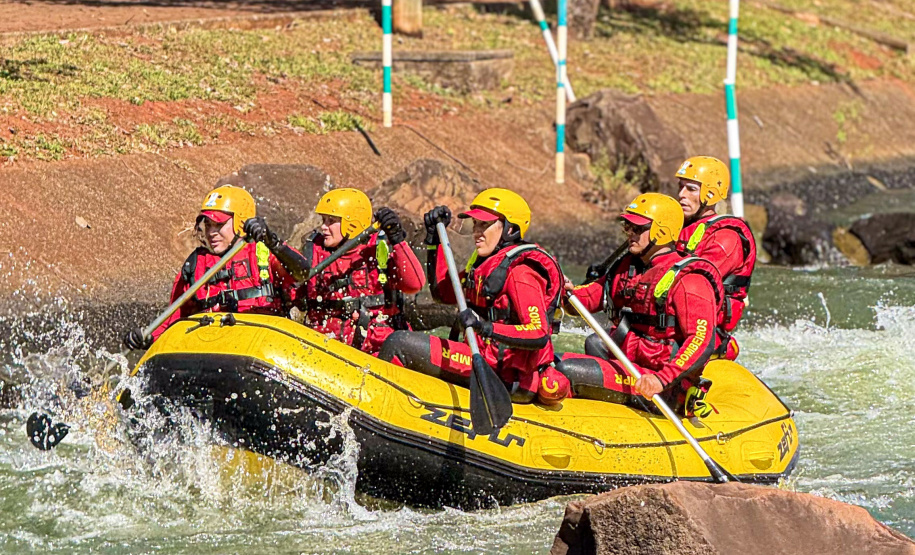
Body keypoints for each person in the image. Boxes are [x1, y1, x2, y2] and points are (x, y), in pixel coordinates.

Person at [546, 193, 724, 416]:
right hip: (634, 367)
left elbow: (702, 341)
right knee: (595, 342)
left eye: (638, 229)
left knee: (564, 368)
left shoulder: (690, 280)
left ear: (661, 232)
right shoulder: (629, 268)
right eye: (628, 227)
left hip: (663, 386)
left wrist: (661, 379)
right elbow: (588, 299)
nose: (630, 233)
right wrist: (563, 291)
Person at [379, 188, 563, 404]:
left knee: (399, 343)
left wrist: (485, 327)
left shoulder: (521, 273)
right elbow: (443, 293)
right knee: (400, 338)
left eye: (485, 225)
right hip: (484, 358)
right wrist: (435, 242)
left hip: (505, 374)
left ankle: (381, 405)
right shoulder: (485, 264)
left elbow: (538, 333)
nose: (477, 232)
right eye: (475, 224)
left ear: (510, 229)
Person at [123, 185, 307, 349]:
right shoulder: (196, 263)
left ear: (240, 222)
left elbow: (303, 273)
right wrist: (149, 338)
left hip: (260, 344)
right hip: (214, 346)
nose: (211, 232)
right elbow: (173, 318)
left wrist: (271, 240)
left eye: (219, 225)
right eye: (208, 225)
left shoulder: (264, 252)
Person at [291, 188, 424, 355]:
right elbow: (292, 292)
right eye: (323, 220)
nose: (323, 227)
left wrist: (397, 239)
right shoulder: (313, 250)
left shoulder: (379, 249)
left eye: (331, 221)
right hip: (326, 345)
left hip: (375, 348)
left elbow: (415, 284)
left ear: (352, 224)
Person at [675, 156, 756, 335]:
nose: (681, 194)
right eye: (680, 187)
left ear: (710, 194)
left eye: (691, 189)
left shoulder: (726, 239)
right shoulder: (676, 227)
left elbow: (694, 286)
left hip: (700, 333)